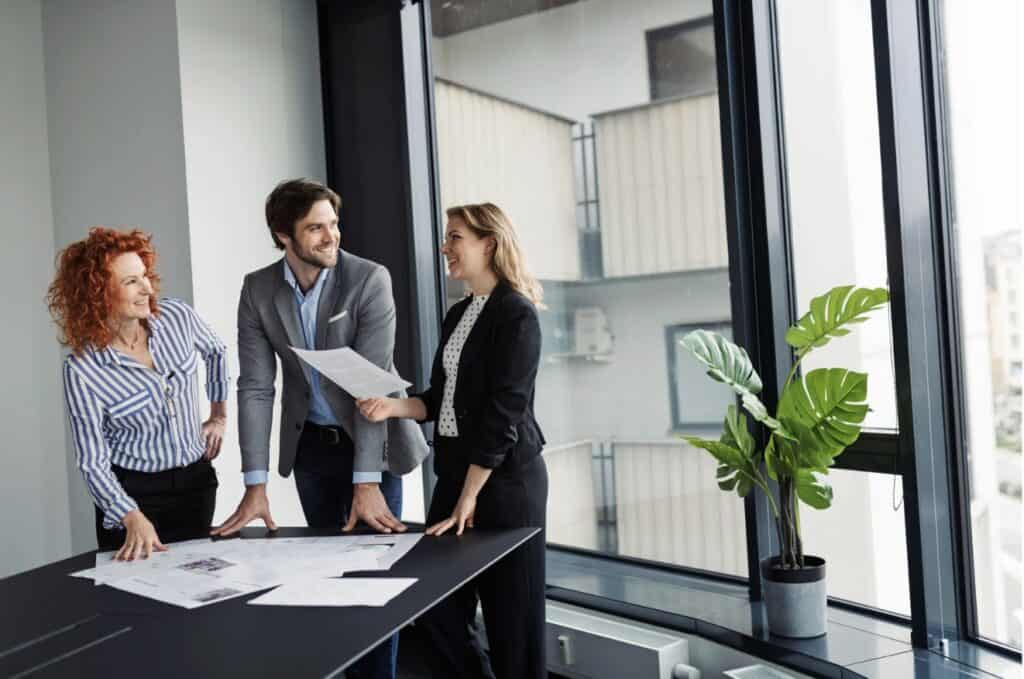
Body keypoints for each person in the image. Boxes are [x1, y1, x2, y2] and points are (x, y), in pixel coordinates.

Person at [212, 178, 428, 679]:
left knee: (373, 586)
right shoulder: (259, 289)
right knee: (331, 584)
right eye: (316, 228)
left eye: (333, 223)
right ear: (283, 236)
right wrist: (255, 483)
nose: (331, 236)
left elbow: (370, 391)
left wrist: (367, 482)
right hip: (312, 450)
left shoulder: (369, 279)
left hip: (370, 444)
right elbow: (256, 388)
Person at [358, 203, 548, 679]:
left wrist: (469, 496)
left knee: (513, 623)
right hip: (456, 479)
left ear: (490, 243)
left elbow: (506, 412)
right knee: (435, 605)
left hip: (505, 486)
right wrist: (392, 406)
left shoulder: (517, 313)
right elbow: (441, 399)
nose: (445, 247)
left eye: (455, 237)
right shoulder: (459, 313)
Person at [48, 227, 229, 561]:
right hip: (134, 495)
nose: (147, 288)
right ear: (98, 293)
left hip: (196, 483)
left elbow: (217, 352)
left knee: (198, 595)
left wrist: (219, 416)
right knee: (135, 606)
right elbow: (93, 461)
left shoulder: (178, 317)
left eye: (144, 275)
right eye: (130, 281)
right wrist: (129, 515)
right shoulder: (83, 370)